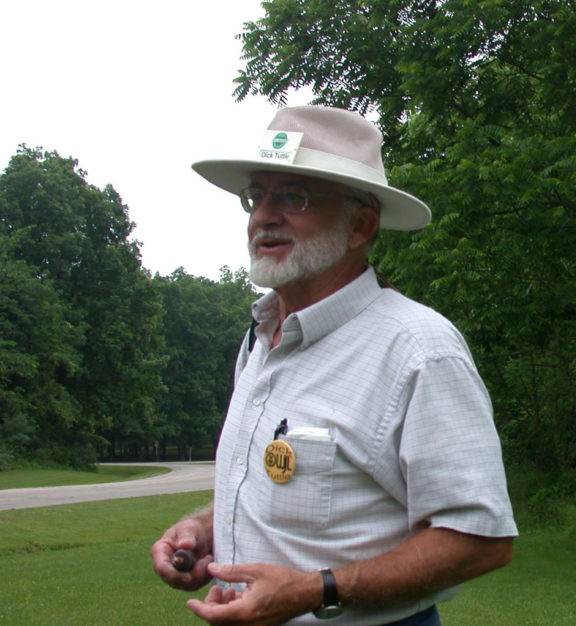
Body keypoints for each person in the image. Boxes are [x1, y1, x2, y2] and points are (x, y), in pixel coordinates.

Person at [151, 106, 517, 626]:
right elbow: (287, 491)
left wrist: (313, 590)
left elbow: (481, 539)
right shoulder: (259, 338)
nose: (263, 216)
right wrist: (205, 528)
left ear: (360, 224)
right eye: (257, 195)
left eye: (293, 197)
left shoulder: (419, 349)